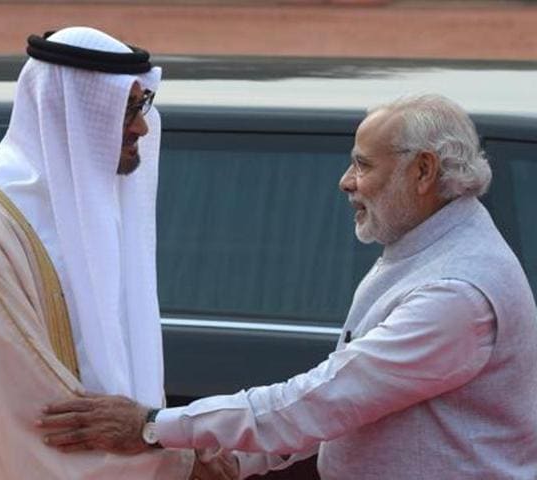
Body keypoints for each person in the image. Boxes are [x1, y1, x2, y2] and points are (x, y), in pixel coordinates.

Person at [37, 94, 537, 479]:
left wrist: (152, 427)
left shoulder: (456, 293)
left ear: (423, 171)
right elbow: (345, 404)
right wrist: (236, 461)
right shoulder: (429, 248)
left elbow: (325, 399)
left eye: (363, 164)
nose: (346, 181)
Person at [0, 26, 234, 480]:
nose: (140, 126)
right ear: (69, 114)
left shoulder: (98, 215)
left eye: (142, 106)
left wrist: (164, 444)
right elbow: (37, 414)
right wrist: (174, 461)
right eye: (125, 110)